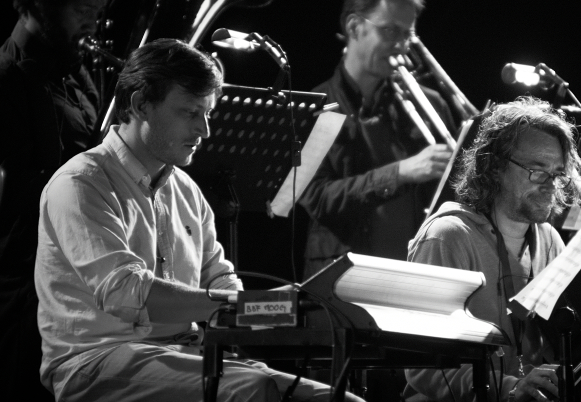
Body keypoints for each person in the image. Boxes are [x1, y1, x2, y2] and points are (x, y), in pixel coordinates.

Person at [34, 38, 363, 402]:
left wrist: (289, 308)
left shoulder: (186, 190)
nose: (204, 130)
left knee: (342, 399)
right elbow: (127, 292)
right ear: (141, 104)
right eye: (190, 113)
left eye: (207, 114)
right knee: (255, 391)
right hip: (94, 362)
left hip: (187, 354)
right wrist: (245, 305)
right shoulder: (81, 183)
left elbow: (219, 280)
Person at [405, 96, 581, 402]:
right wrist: (509, 388)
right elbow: (423, 367)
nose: (550, 185)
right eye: (537, 170)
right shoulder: (447, 237)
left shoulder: (550, 240)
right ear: (495, 167)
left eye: (557, 173)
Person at [0, 0, 114, 399]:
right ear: (45, 2)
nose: (92, 24)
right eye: (83, 11)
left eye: (97, 13)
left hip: (72, 281)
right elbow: (10, 196)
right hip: (23, 294)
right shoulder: (8, 78)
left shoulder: (77, 75)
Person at [299, 0, 455, 279]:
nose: (401, 46)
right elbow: (317, 198)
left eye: (407, 35)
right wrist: (400, 173)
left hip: (418, 273)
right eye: (390, 31)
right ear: (354, 27)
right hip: (342, 280)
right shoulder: (319, 106)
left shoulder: (431, 104)